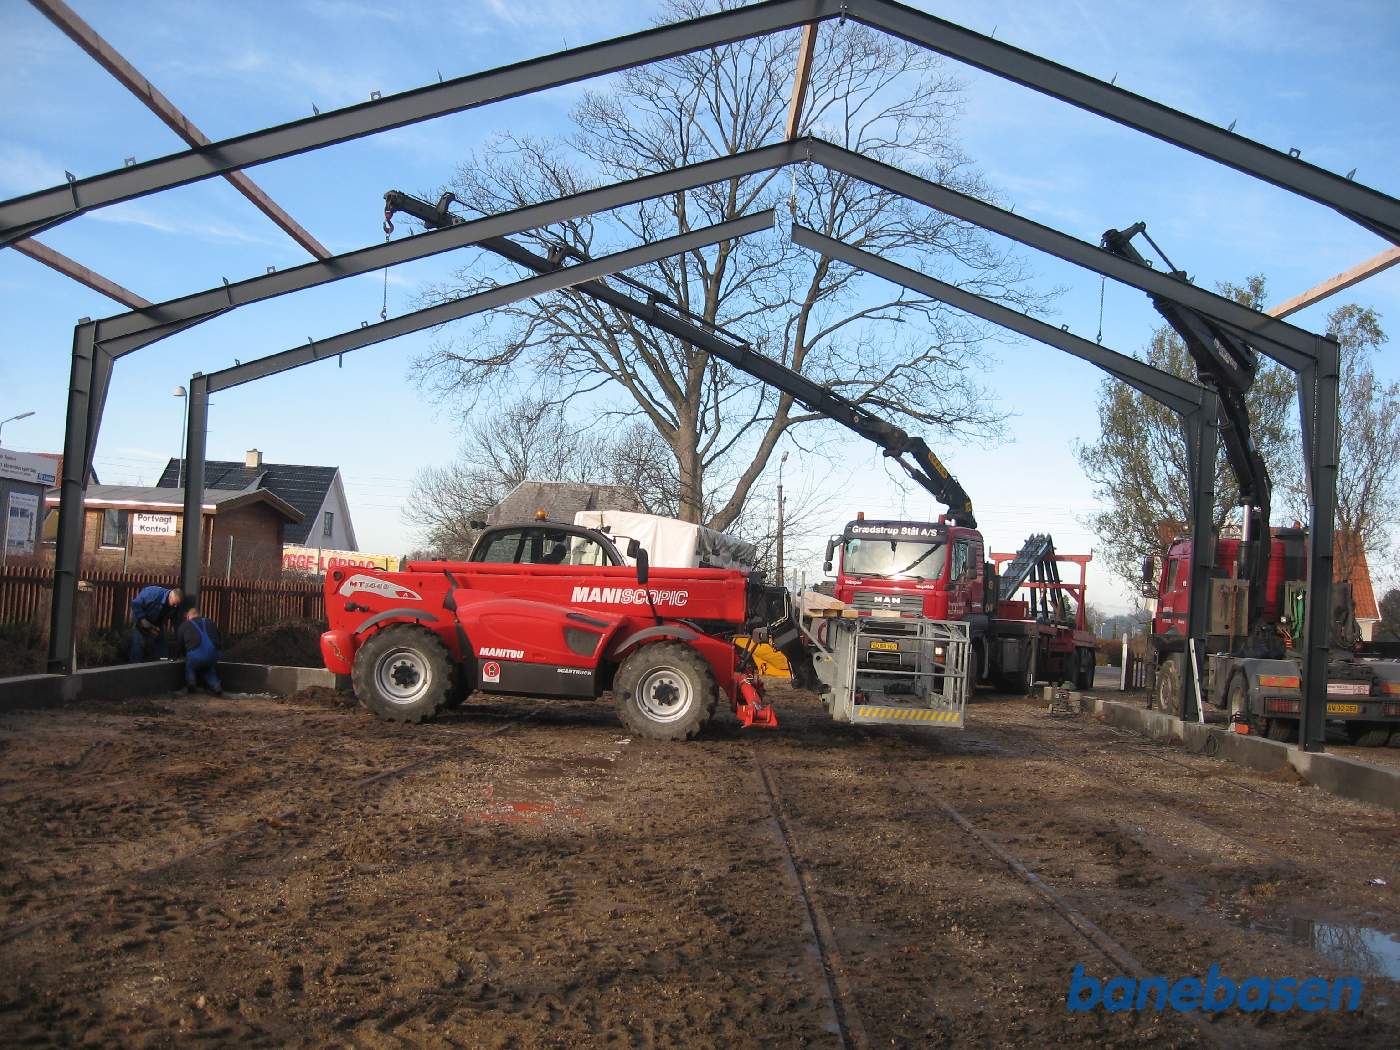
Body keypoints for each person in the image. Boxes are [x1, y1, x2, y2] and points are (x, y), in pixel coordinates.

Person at [176, 605, 222, 696]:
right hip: (214, 654)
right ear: (199, 615)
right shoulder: (210, 622)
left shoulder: (185, 625)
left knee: (190, 665)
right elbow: (219, 638)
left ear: (189, 616)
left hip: (196, 656)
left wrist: (181, 655)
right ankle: (217, 686)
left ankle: (191, 683)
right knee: (209, 669)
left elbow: (180, 644)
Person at [128, 585, 182, 662]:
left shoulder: (175, 606)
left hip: (157, 622)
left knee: (161, 643)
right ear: (170, 597)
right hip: (141, 618)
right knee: (138, 642)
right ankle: (135, 666)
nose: (175, 606)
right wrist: (143, 620)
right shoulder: (153, 593)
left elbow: (175, 620)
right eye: (174, 604)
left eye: (177, 605)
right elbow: (135, 604)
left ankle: (163, 663)